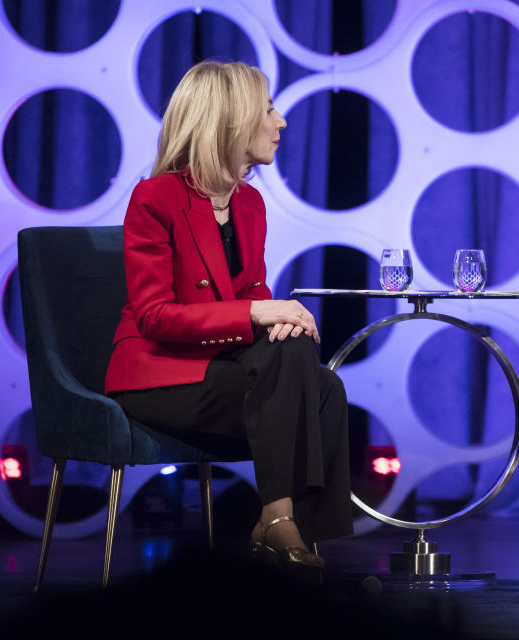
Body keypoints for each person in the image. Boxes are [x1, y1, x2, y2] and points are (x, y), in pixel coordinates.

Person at [104, 60, 351, 572]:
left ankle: (296, 528)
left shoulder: (250, 204)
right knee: (300, 368)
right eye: (268, 110)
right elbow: (154, 317)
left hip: (225, 370)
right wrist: (263, 311)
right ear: (231, 121)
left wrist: (280, 318)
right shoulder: (156, 198)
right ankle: (279, 522)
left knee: (320, 381)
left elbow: (252, 291)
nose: (281, 122)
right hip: (161, 378)